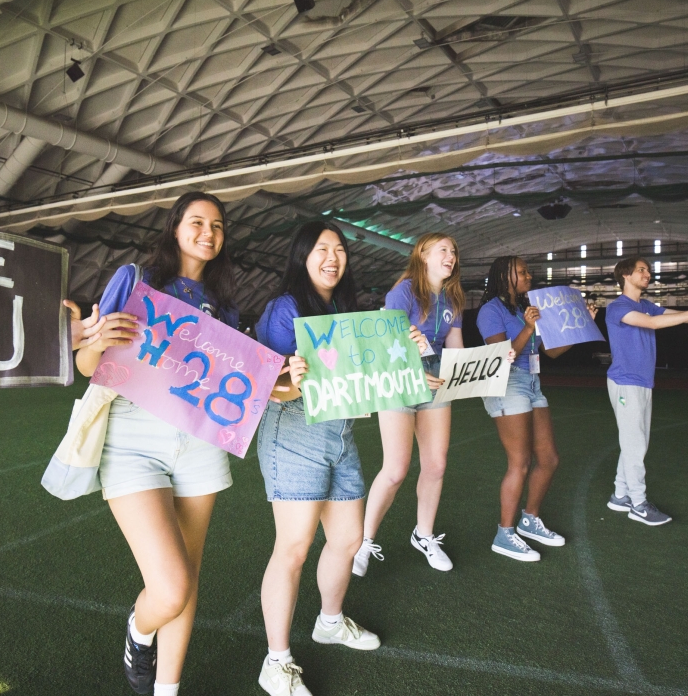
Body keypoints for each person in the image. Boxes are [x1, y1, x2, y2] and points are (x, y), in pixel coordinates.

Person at [74, 191, 240, 696]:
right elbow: (88, 364)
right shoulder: (136, 280)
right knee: (169, 587)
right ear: (175, 228)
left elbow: (229, 388)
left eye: (217, 225)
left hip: (198, 443)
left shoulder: (227, 311)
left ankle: (166, 690)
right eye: (197, 222)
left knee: (188, 577)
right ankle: (139, 629)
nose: (207, 232)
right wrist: (96, 340)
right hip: (132, 438)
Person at [254, 222, 382, 696]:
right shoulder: (284, 308)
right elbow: (266, 386)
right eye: (322, 250)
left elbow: (366, 372)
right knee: (293, 550)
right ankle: (277, 661)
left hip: (341, 434)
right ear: (302, 257)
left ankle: (330, 621)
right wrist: (292, 377)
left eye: (340, 250)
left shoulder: (344, 309)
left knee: (348, 538)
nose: (333, 258)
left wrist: (406, 360)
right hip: (294, 434)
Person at [354, 233, 464, 575]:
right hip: (400, 377)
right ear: (423, 255)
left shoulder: (453, 299)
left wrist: (487, 362)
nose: (451, 255)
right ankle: (363, 541)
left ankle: (424, 534)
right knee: (395, 469)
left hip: (437, 379)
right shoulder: (403, 291)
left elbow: (456, 348)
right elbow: (385, 342)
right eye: (443, 249)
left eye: (454, 251)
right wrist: (415, 370)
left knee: (436, 465)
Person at [476, 256, 597, 560]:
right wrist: (529, 328)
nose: (529, 276)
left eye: (528, 271)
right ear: (505, 277)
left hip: (531, 381)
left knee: (549, 458)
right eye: (522, 272)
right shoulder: (489, 311)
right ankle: (504, 534)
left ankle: (529, 519)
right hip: (506, 383)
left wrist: (583, 326)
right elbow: (500, 357)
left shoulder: (524, 308)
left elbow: (552, 351)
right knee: (520, 462)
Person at [605, 256, 688, 526]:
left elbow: (671, 317)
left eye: (648, 270)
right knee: (635, 444)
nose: (648, 274)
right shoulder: (617, 307)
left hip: (642, 382)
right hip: (625, 383)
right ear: (625, 275)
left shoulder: (645, 305)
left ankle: (620, 494)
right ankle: (638, 503)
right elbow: (654, 324)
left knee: (636, 442)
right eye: (641, 270)